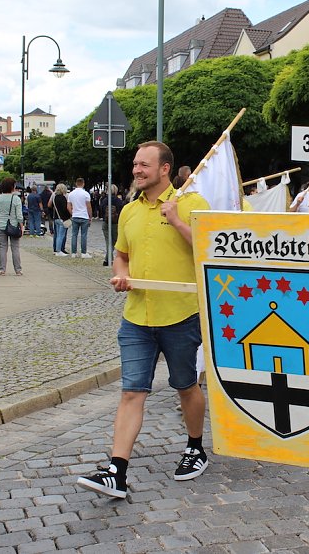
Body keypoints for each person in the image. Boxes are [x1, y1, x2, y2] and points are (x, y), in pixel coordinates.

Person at [76, 141, 210, 499]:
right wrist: (121, 274)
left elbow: (210, 249)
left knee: (186, 386)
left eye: (144, 165)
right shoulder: (129, 211)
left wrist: (177, 220)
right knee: (132, 392)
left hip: (180, 315)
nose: (136, 170)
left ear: (165, 169)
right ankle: (116, 472)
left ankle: (195, 447)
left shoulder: (192, 204)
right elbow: (121, 255)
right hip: (136, 318)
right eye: (135, 164)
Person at [0, 177, 24, 276]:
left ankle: (2, 269)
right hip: (13, 226)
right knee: (15, 248)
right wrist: (21, 226)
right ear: (12, 187)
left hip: (1, 226)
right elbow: (19, 216)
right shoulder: (16, 199)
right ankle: (18, 270)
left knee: (3, 247)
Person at [68, 178, 93, 258]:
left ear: (76, 183)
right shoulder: (86, 194)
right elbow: (89, 206)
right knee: (83, 235)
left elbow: (68, 206)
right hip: (84, 216)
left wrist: (72, 213)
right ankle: (83, 253)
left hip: (75, 216)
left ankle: (73, 253)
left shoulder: (71, 194)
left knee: (74, 235)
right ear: (83, 184)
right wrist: (90, 216)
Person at [99, 184, 123, 266]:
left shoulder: (104, 200)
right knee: (114, 242)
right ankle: (108, 259)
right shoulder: (118, 201)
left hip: (105, 222)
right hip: (115, 223)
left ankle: (107, 260)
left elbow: (101, 209)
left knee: (108, 241)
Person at [50, 184, 70, 256]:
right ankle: (59, 251)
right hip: (62, 219)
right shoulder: (63, 198)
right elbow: (65, 209)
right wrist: (68, 217)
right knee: (61, 235)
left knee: (57, 235)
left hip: (56, 218)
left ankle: (56, 250)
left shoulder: (55, 198)